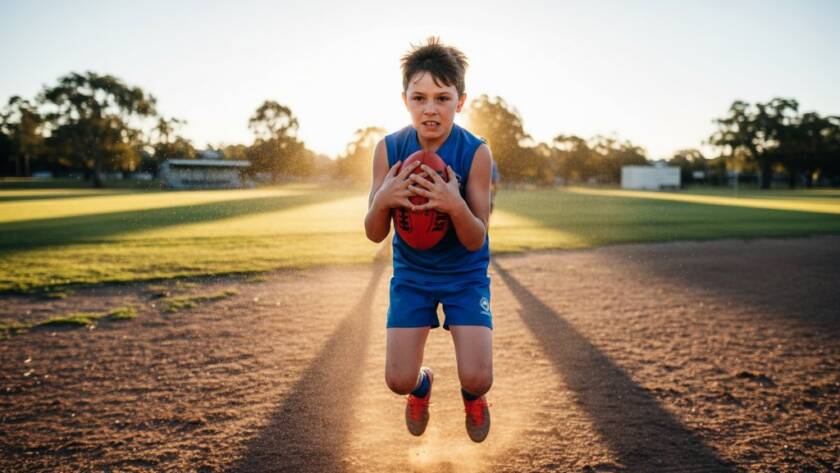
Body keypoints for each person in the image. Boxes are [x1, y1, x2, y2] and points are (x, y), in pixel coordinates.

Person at [364, 37, 494, 443]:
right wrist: (384, 199)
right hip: (413, 275)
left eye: (442, 97)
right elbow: (373, 232)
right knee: (397, 380)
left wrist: (454, 204)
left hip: (464, 274)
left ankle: (472, 396)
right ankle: (422, 386)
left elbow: (477, 239)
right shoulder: (389, 149)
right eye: (419, 97)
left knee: (478, 376)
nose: (430, 108)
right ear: (405, 99)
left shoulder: (476, 152)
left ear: (461, 101)